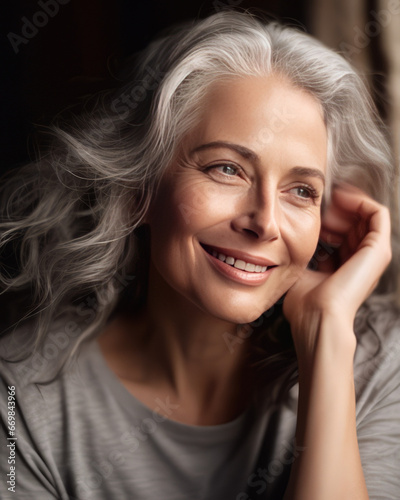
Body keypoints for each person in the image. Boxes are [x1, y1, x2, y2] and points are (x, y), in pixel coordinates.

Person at [0, 10, 399, 500]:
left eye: (301, 190)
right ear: (138, 190)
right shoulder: (18, 400)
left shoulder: (378, 364)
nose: (266, 222)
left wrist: (327, 338)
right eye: (227, 168)